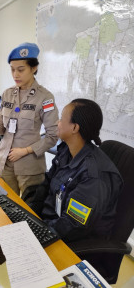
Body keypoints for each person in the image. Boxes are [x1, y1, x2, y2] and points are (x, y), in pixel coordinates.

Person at [32, 98, 123, 242]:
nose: (57, 122)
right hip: (50, 224)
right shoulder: (66, 152)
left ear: (75, 128)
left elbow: (73, 226)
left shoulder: (93, 176)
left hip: (72, 244)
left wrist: (38, 232)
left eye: (62, 119)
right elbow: (47, 184)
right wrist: (28, 214)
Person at [0, 42, 59, 195]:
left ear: (34, 68)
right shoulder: (7, 94)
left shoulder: (45, 98)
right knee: (7, 205)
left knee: (28, 210)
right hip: (6, 161)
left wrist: (24, 151)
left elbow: (53, 136)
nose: (15, 75)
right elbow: (2, 127)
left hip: (29, 166)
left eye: (20, 70)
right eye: (12, 70)